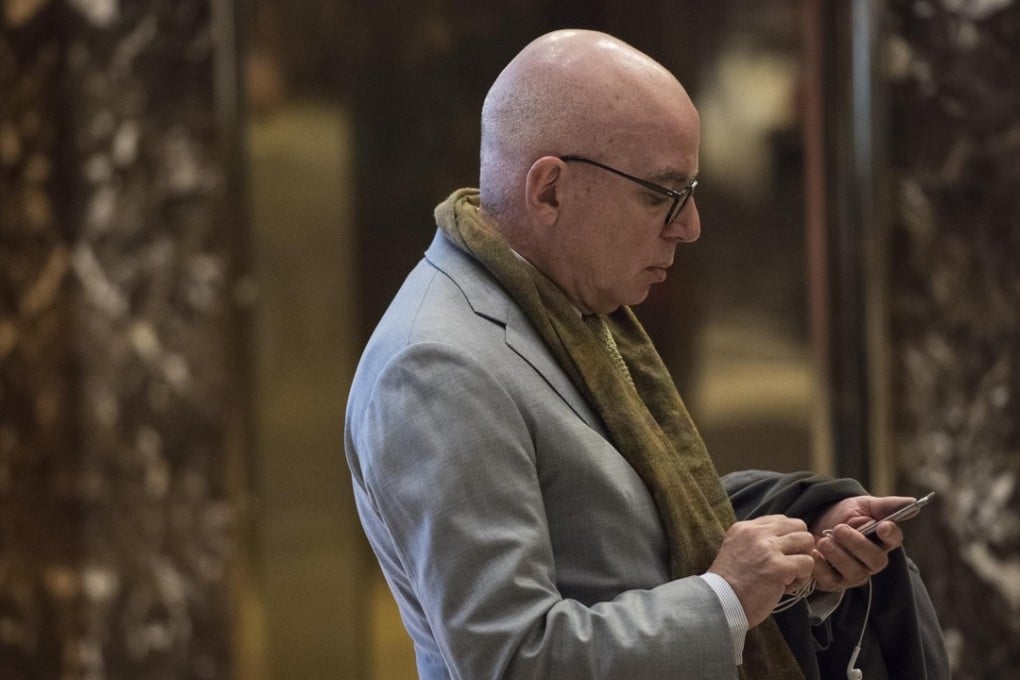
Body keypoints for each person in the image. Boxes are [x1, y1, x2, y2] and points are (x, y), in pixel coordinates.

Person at [345, 29, 948, 679]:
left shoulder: (559, 303)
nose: (688, 227)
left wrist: (802, 538)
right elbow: (512, 660)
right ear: (549, 189)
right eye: (661, 194)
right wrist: (725, 598)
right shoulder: (438, 367)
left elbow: (619, 527)